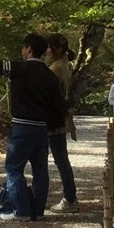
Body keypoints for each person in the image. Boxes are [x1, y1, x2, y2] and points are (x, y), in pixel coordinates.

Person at [0, 33, 67, 221]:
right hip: (41, 129)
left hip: (22, 126)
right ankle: (38, 210)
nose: (22, 51)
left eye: (24, 47)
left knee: (14, 168)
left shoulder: (19, 69)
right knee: (40, 170)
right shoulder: (50, 76)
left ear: (29, 49)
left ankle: (22, 210)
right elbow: (58, 105)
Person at [43, 33, 80, 213]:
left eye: (49, 48)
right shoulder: (64, 65)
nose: (47, 52)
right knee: (61, 158)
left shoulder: (57, 68)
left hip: (54, 117)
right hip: (58, 115)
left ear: (56, 48)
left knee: (61, 159)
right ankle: (70, 196)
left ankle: (70, 198)